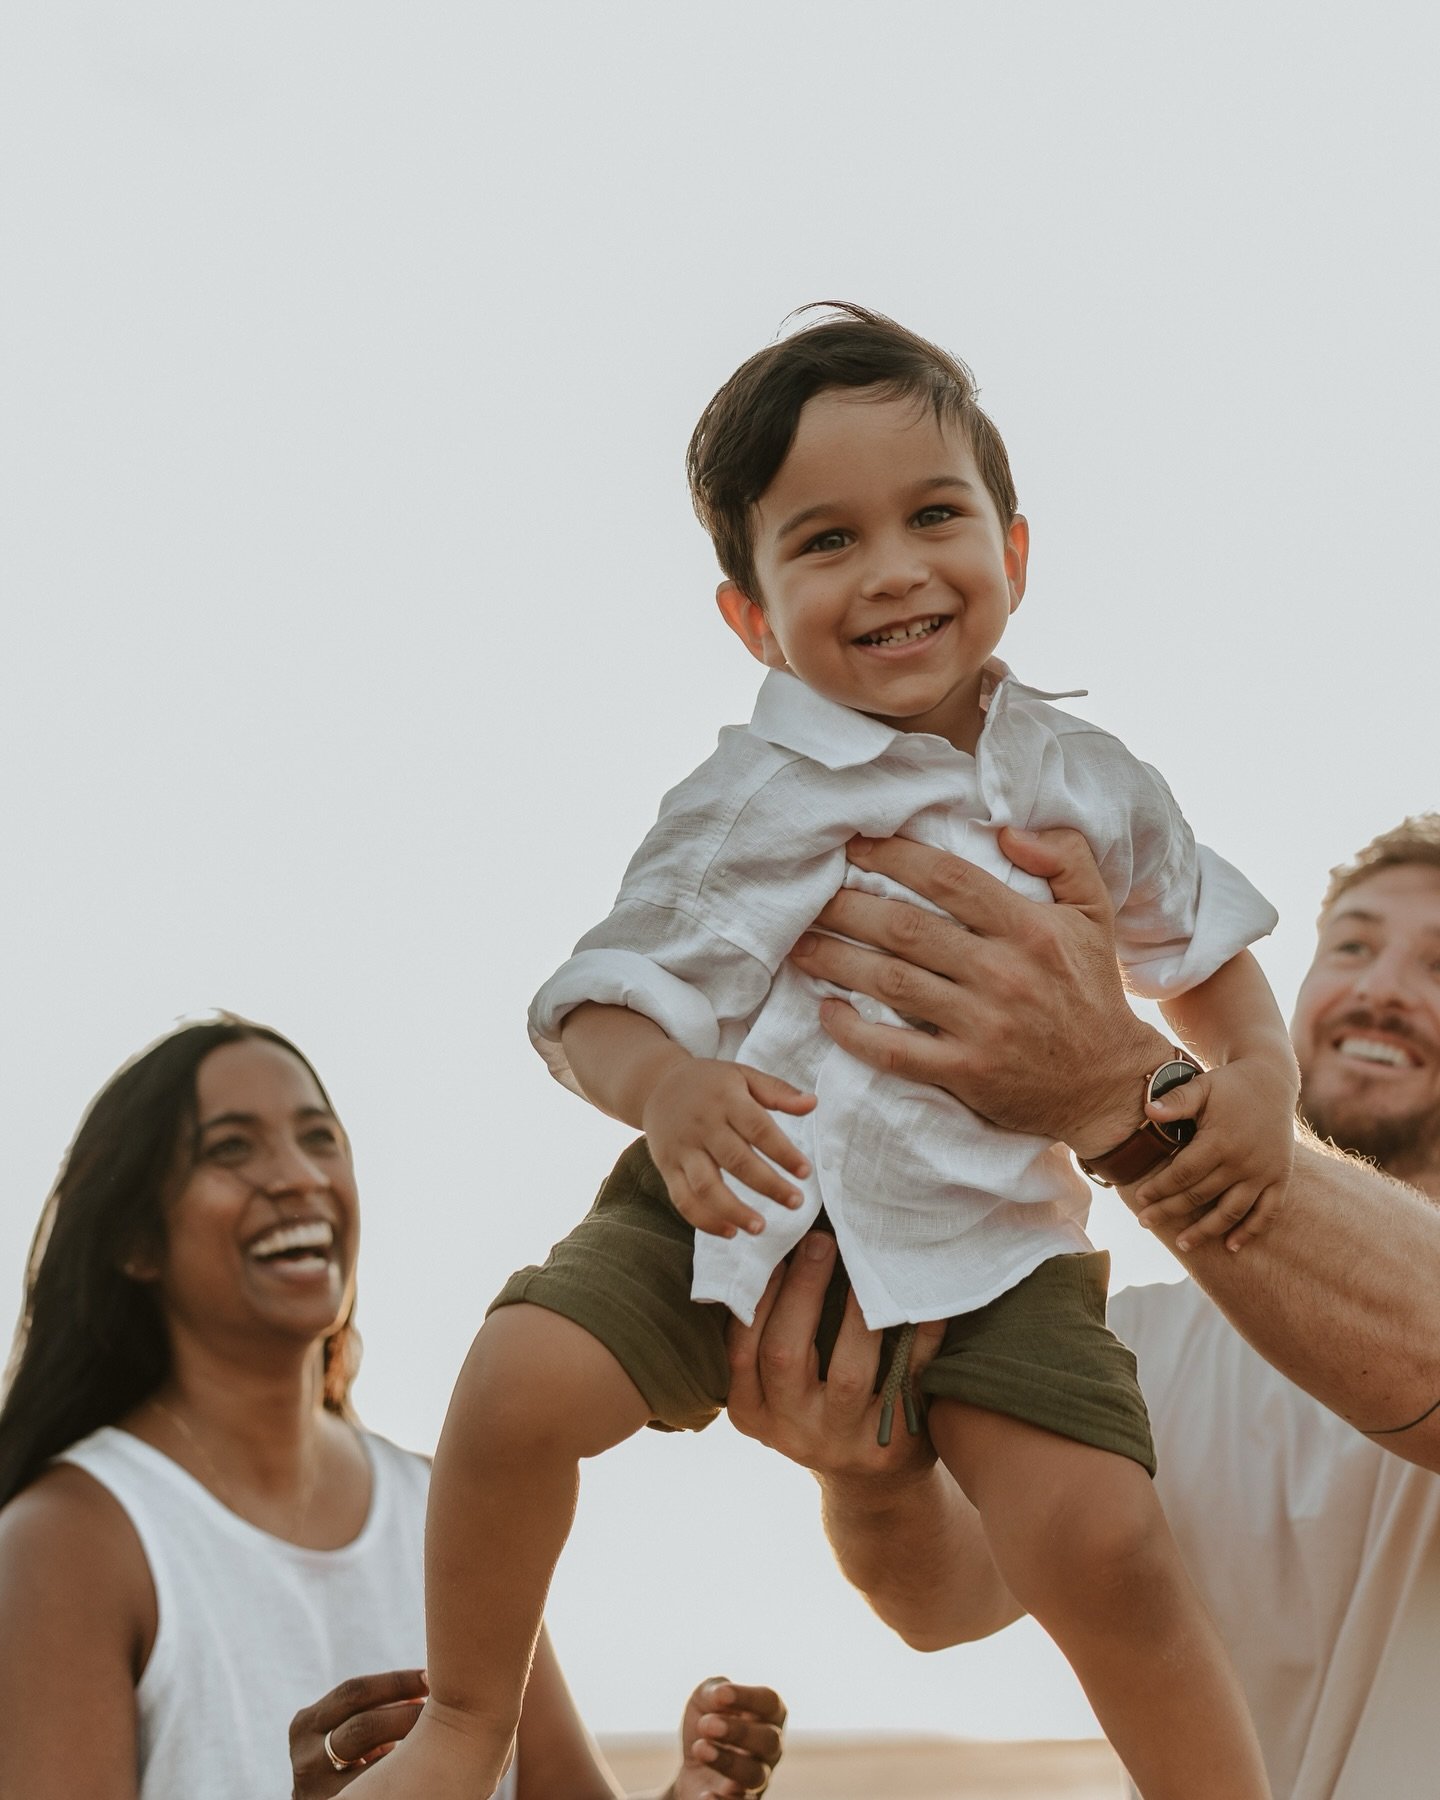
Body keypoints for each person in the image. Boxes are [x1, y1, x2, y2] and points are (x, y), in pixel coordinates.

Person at [357, 307, 1296, 1800]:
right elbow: (595, 999)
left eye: (936, 516)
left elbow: (1213, 966)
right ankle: (467, 1721)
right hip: (741, 1196)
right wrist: (669, 1089)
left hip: (995, 1253)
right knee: (515, 1388)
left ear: (1017, 550)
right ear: (751, 616)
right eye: (827, 542)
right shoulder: (755, 795)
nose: (897, 570)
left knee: (1110, 1544)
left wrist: (1258, 1087)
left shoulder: (1090, 781)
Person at [725, 815, 1440, 1799]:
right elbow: (951, 1599)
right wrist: (874, 1479)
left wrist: (1118, 1086)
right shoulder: (1131, 1341)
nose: (1383, 986)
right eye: (1352, 945)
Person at [0, 1018, 786, 1800]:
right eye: (231, 1148)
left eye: (319, 1138)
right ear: (135, 1241)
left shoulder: (437, 1500)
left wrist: (693, 1796)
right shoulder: (67, 1540)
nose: (298, 1176)